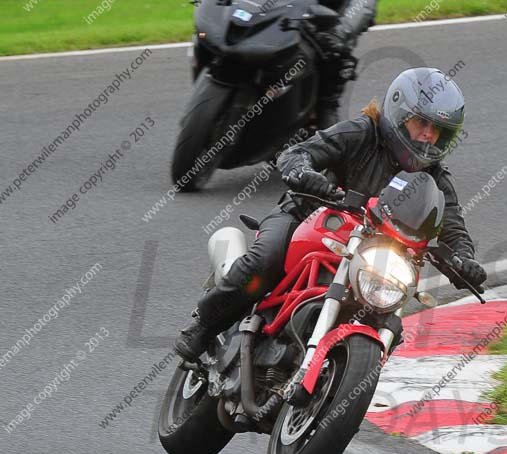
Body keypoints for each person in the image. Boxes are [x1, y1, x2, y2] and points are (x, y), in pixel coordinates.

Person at [174, 67, 487, 364]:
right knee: (263, 261)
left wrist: (465, 261)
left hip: (372, 256)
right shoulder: (361, 133)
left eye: (438, 131)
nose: (428, 136)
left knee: (391, 320)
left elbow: (455, 230)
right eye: (422, 123)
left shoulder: (436, 180)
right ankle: (204, 326)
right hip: (308, 219)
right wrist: (302, 171)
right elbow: (299, 153)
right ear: (400, 114)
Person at [310, 0, 376, 129]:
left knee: (326, 101)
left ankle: (328, 143)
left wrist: (337, 35)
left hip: (331, 44)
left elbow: (363, 5)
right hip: (293, 32)